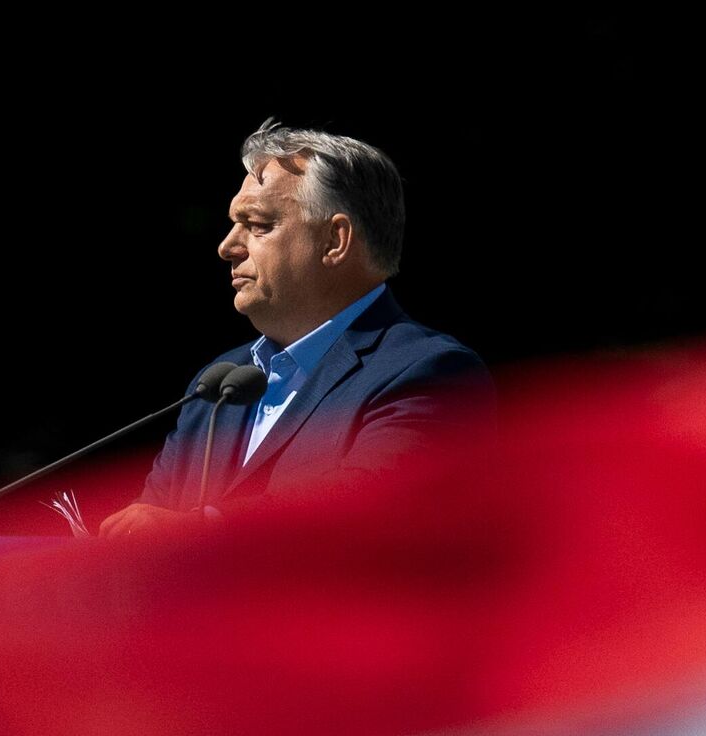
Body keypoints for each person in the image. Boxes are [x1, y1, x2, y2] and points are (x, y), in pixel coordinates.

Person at [99, 119, 494, 538]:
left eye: (258, 225)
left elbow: (368, 513)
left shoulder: (431, 373)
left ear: (335, 241)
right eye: (234, 224)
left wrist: (201, 528)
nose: (227, 247)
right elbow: (149, 532)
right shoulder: (215, 387)